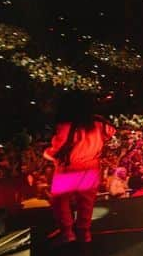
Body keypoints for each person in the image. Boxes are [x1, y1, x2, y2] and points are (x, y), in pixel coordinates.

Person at [43, 93, 115, 243]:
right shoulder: (99, 123)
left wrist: (47, 154)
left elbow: (58, 148)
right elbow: (111, 132)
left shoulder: (67, 125)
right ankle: (84, 232)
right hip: (91, 166)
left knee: (60, 201)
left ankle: (68, 232)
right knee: (86, 203)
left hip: (70, 168)